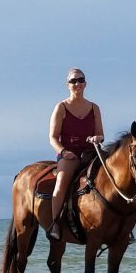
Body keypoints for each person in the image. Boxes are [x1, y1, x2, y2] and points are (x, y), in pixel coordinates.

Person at [47, 68, 104, 241]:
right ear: (68, 85)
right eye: (73, 81)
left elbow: (101, 134)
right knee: (61, 184)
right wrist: (64, 152)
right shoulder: (61, 107)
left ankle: (121, 225)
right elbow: (52, 138)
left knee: (114, 175)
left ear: (85, 84)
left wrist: (97, 138)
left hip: (90, 153)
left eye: (80, 80)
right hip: (69, 154)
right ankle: (55, 224)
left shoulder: (94, 108)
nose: (77, 83)